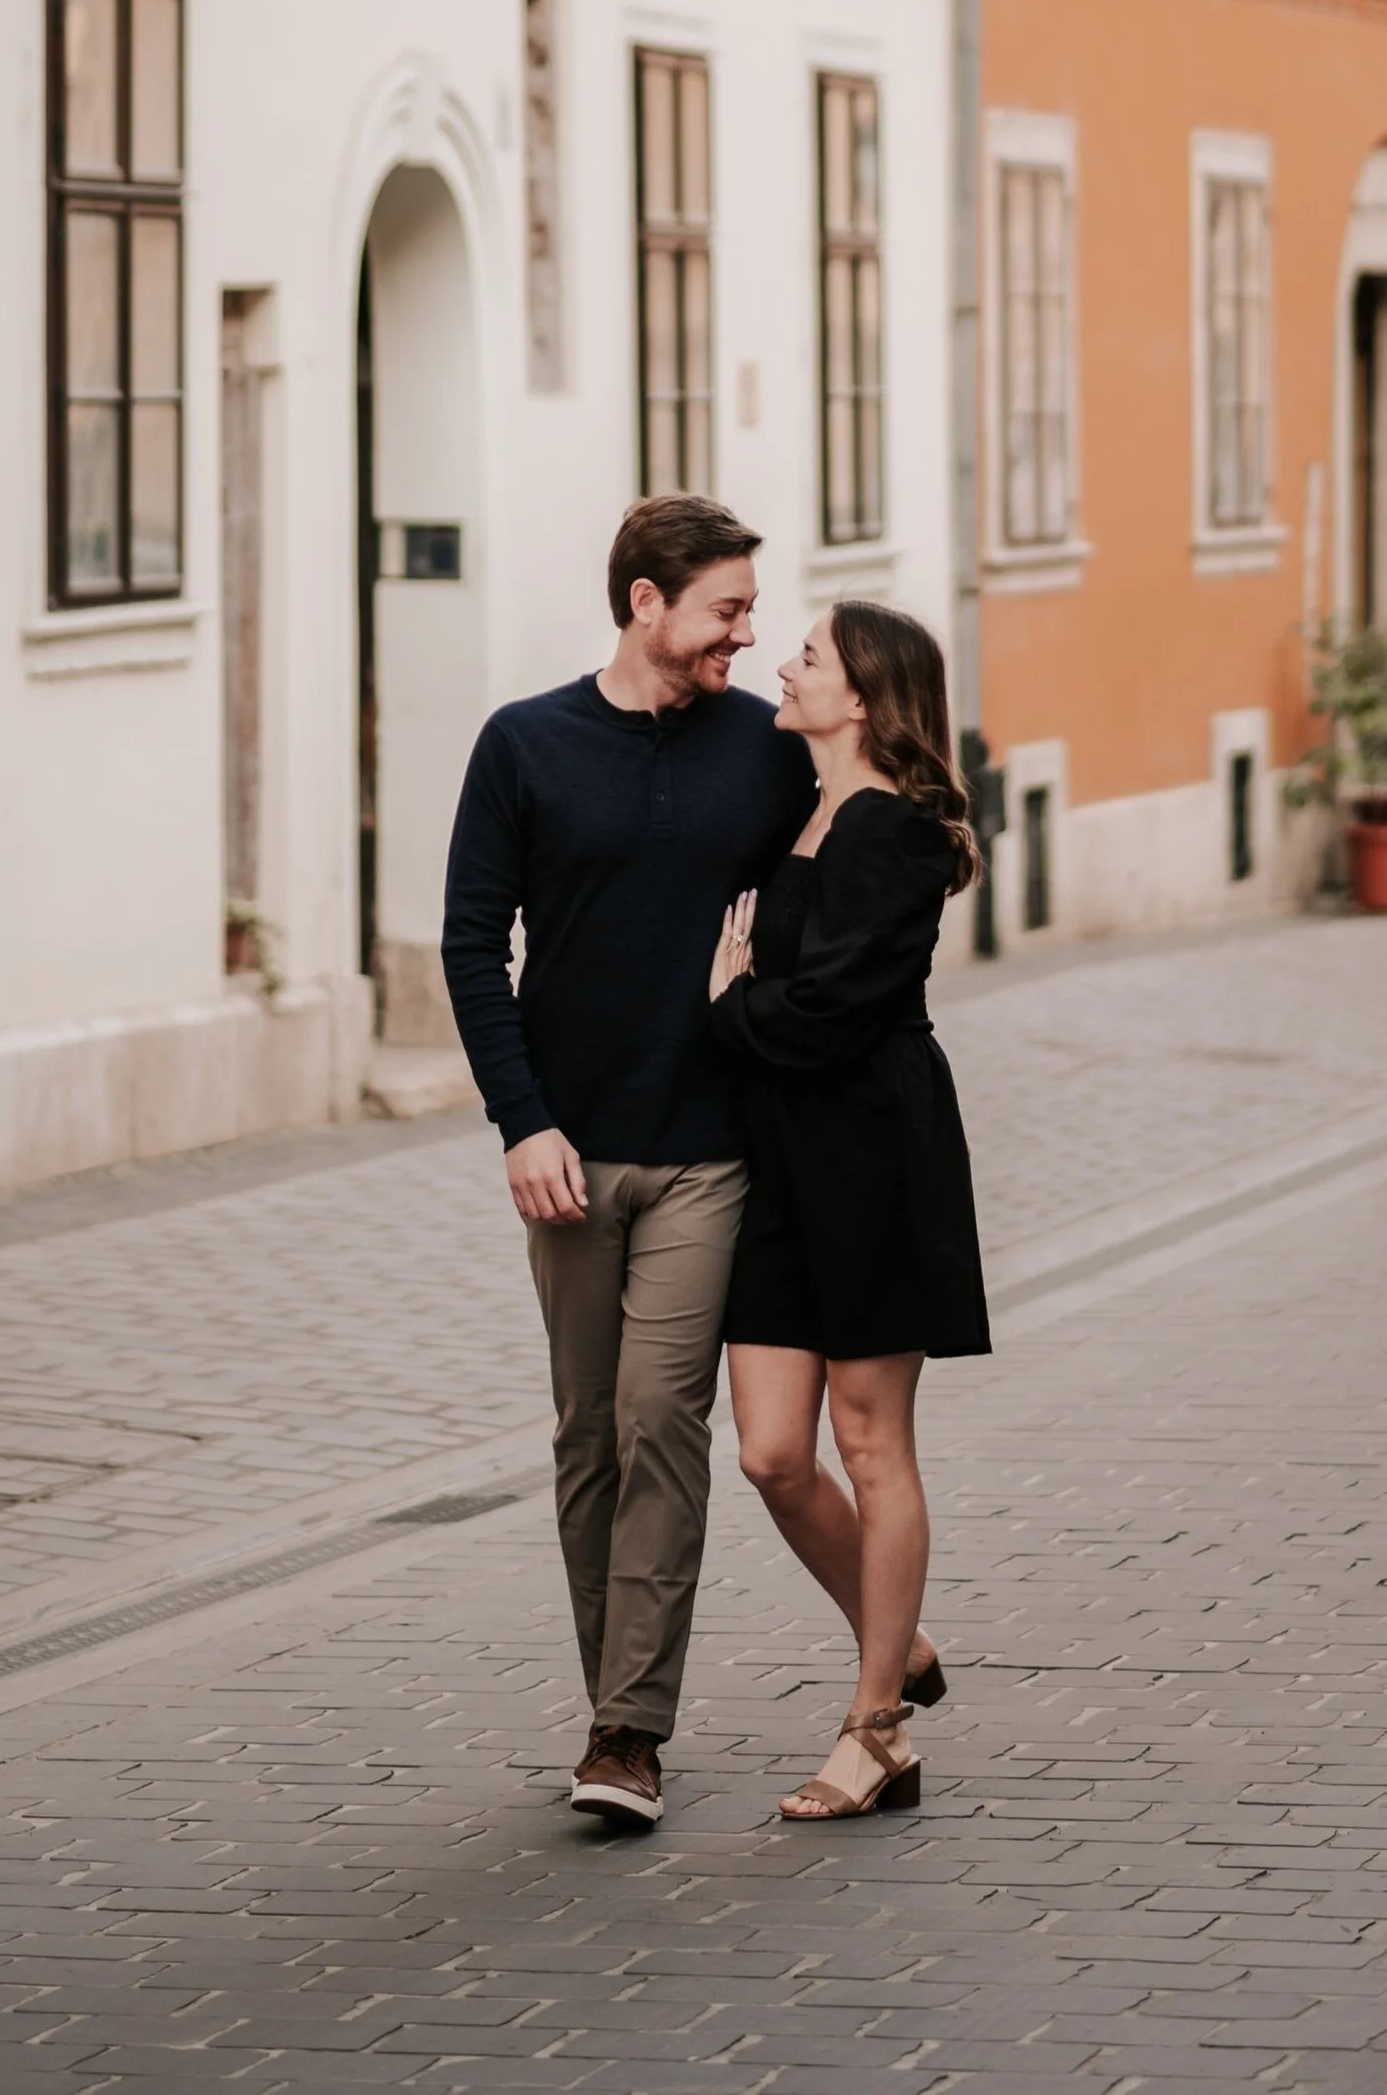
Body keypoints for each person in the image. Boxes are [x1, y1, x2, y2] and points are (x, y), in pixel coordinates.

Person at [442, 495, 815, 1828]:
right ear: (648, 603)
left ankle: (627, 1731)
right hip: (573, 1157)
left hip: (714, 1150)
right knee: (588, 1437)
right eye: (726, 609)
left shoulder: (766, 749)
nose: (745, 633)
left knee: (665, 1423)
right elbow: (470, 945)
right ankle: (618, 1691)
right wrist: (520, 1120)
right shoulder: (525, 745)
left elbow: (848, 867)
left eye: (750, 611)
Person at [707, 598, 989, 1821]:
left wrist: (731, 999)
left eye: (809, 654)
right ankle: (901, 1637)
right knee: (772, 1453)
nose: (784, 661)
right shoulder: (800, 806)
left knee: (873, 1447)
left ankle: (875, 1728)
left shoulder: (899, 833)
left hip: (874, 1159)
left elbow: (823, 1017)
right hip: (779, 1164)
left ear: (864, 695)